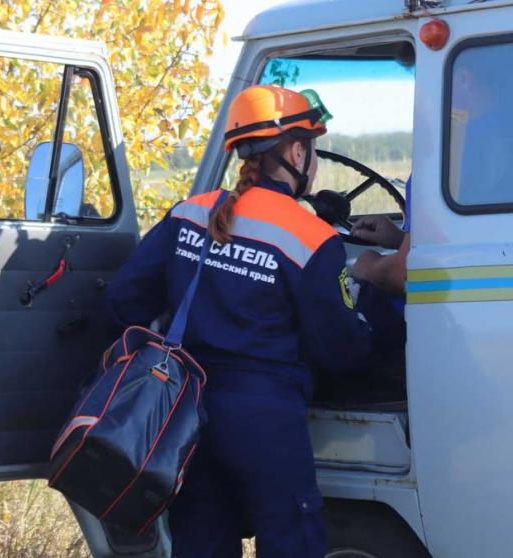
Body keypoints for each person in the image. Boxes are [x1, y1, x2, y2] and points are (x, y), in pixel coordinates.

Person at [106, 85, 376, 558]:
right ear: (297, 152)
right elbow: (338, 350)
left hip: (185, 414)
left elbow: (124, 299)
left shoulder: (189, 214)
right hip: (265, 418)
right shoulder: (310, 236)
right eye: (310, 149)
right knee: (292, 536)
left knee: (203, 540)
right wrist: (371, 328)